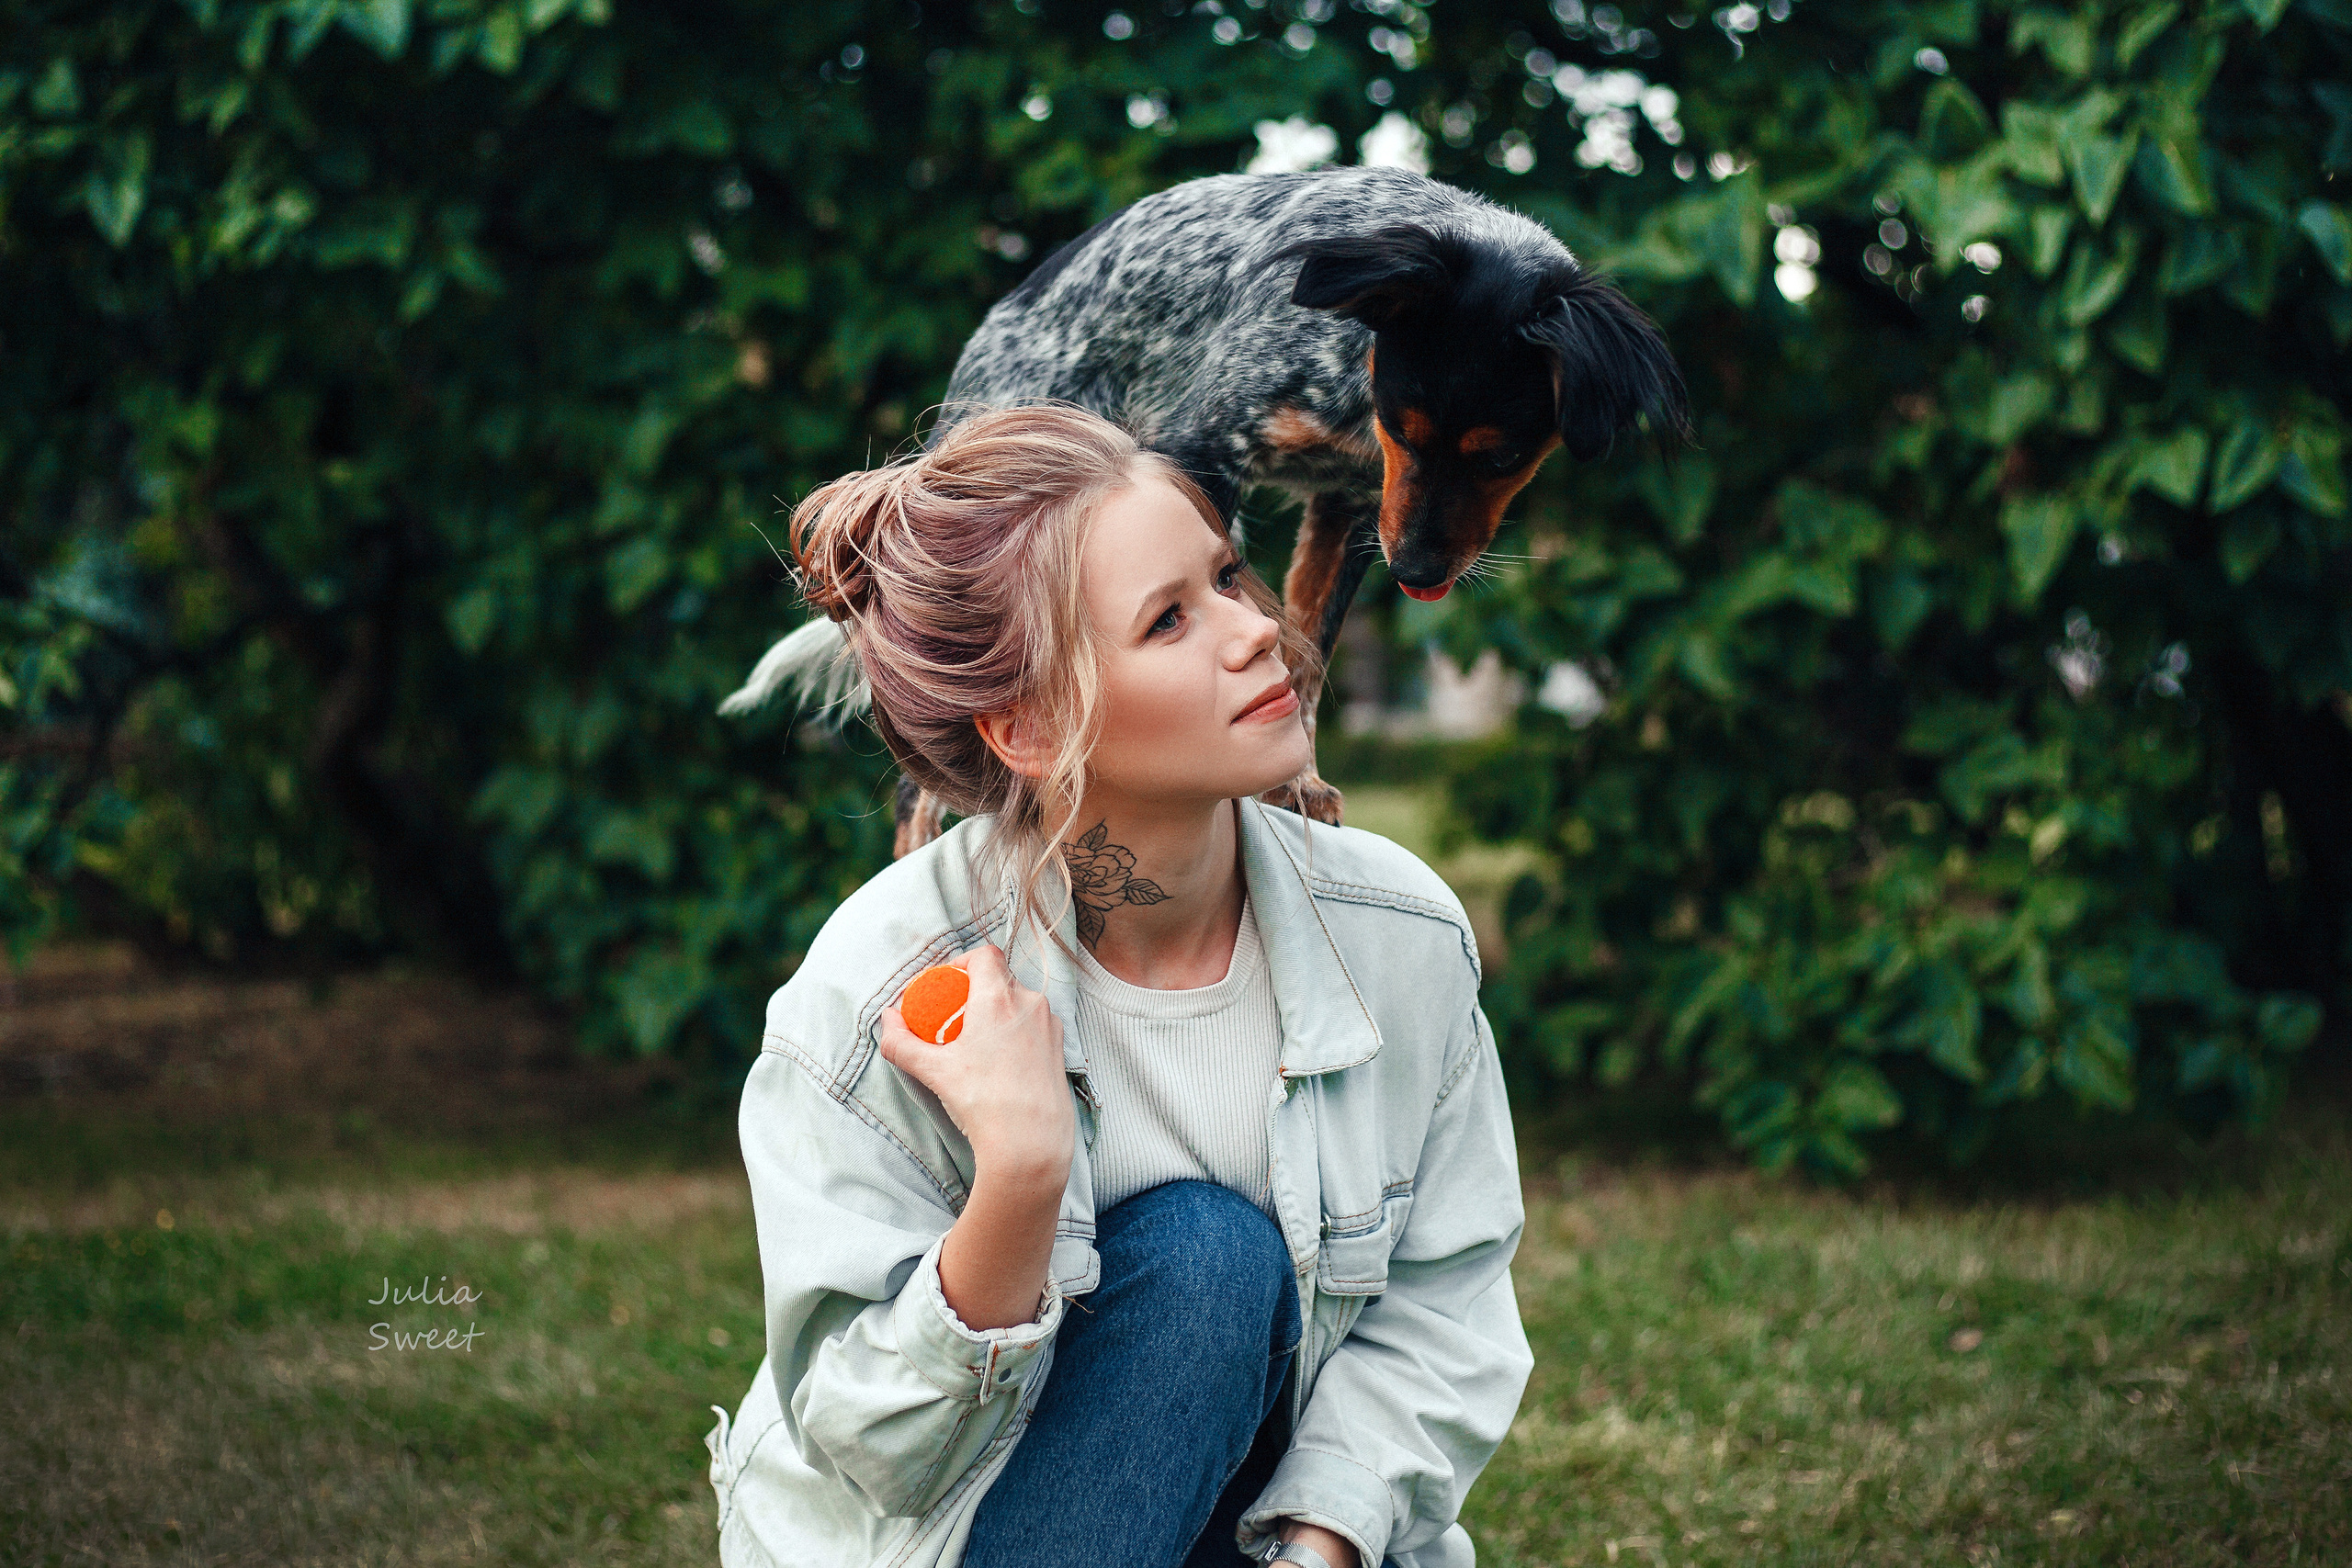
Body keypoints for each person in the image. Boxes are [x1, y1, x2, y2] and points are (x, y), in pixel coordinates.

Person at [703, 402, 1532, 1568]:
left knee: (1217, 1265)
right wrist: (1019, 1179)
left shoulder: (1396, 938)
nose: (1251, 631)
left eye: (1229, 578)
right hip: (965, 1541)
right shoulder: (879, 996)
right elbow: (871, 1449)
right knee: (1204, 1258)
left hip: (1252, 1538)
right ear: (1030, 727)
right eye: (1168, 621)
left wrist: (1325, 1543)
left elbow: (1444, 1307)